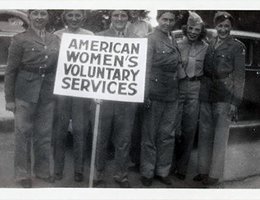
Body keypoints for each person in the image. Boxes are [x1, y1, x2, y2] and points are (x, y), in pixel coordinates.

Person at [4, 10, 60, 188]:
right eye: (35, 13)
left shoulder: (55, 39)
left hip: (47, 92)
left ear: (48, 17)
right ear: (29, 17)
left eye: (43, 13)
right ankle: (22, 174)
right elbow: (11, 71)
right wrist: (9, 99)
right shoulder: (19, 39)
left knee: (44, 134)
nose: (39, 17)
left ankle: (42, 171)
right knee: (23, 135)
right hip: (25, 92)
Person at [195, 11, 245, 185]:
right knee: (204, 133)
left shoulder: (237, 46)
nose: (223, 29)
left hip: (224, 95)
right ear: (215, 27)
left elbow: (239, 76)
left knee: (220, 136)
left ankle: (214, 175)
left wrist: (235, 102)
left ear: (231, 28)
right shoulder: (210, 43)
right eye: (220, 26)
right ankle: (202, 170)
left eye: (226, 26)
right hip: (207, 93)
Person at [94, 10, 138, 188]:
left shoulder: (137, 40)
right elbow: (91, 66)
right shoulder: (99, 37)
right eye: (116, 16)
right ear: (110, 18)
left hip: (126, 98)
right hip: (104, 97)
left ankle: (121, 174)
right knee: (101, 137)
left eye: (123, 16)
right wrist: (94, 91)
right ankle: (98, 173)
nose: (119, 19)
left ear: (128, 19)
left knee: (124, 138)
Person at [140, 10, 181, 187]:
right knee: (150, 135)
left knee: (167, 135)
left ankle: (163, 171)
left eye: (171, 20)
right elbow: (146, 67)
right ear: (158, 20)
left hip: (171, 93)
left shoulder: (173, 38)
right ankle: (147, 172)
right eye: (164, 19)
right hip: (155, 92)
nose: (168, 23)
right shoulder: (151, 38)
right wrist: (145, 93)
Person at [53, 10, 94, 182]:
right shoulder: (56, 36)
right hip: (62, 91)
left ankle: (79, 169)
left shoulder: (90, 35)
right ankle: (57, 169)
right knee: (60, 131)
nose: (74, 18)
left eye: (78, 15)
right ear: (64, 18)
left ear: (83, 18)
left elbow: (96, 62)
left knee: (80, 130)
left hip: (81, 91)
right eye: (70, 15)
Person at [173, 12, 208, 180]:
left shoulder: (206, 47)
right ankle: (168, 164)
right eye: (191, 28)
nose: (194, 32)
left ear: (201, 31)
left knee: (189, 128)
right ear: (186, 29)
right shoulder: (178, 44)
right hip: (178, 86)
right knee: (173, 127)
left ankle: (182, 167)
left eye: (197, 29)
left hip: (195, 87)